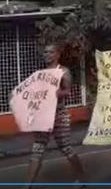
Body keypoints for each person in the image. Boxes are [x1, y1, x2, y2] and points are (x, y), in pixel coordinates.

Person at [24, 44, 86, 187]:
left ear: (58, 54)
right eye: (45, 52)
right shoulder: (41, 73)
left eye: (51, 52)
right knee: (37, 149)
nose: (48, 54)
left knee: (66, 147)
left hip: (58, 115)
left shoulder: (63, 71)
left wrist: (55, 92)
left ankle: (82, 178)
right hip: (43, 116)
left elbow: (67, 92)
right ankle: (27, 185)